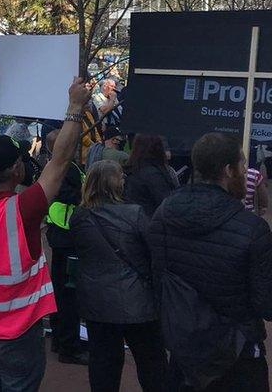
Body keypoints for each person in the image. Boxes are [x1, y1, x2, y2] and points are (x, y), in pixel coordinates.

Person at [0, 75, 89, 391]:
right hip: (17, 335)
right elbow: (59, 162)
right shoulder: (24, 209)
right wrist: (74, 107)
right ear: (18, 170)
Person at [149, 133, 272, 390]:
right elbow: (266, 303)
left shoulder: (164, 213)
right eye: (241, 164)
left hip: (185, 348)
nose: (244, 171)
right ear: (229, 170)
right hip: (237, 354)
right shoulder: (253, 230)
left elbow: (159, 275)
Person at [69, 160, 165, 392]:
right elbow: (155, 252)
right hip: (139, 301)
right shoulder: (136, 214)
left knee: (103, 366)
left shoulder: (80, 217)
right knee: (152, 365)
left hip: (98, 303)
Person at [44, 129, 88, 365]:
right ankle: (68, 346)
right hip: (67, 234)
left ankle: (61, 339)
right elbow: (68, 195)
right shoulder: (65, 168)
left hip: (59, 232)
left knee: (60, 290)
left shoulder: (53, 165)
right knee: (68, 294)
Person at [123, 134, 178, 217]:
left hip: (133, 218)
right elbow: (165, 203)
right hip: (151, 219)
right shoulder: (153, 175)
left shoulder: (131, 171)